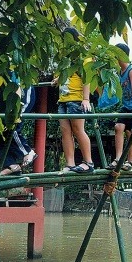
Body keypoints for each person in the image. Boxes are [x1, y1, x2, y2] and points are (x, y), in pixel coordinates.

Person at [55, 27, 94, 173]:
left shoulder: (82, 56)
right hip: (64, 98)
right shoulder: (66, 57)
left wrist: (85, 98)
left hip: (76, 98)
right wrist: (58, 79)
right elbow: (69, 74)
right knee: (65, 131)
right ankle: (70, 163)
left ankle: (88, 162)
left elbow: (86, 78)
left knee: (78, 130)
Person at [106, 44, 132, 171]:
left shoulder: (131, 71)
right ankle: (118, 158)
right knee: (118, 127)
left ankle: (130, 161)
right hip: (125, 105)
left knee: (130, 133)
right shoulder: (119, 72)